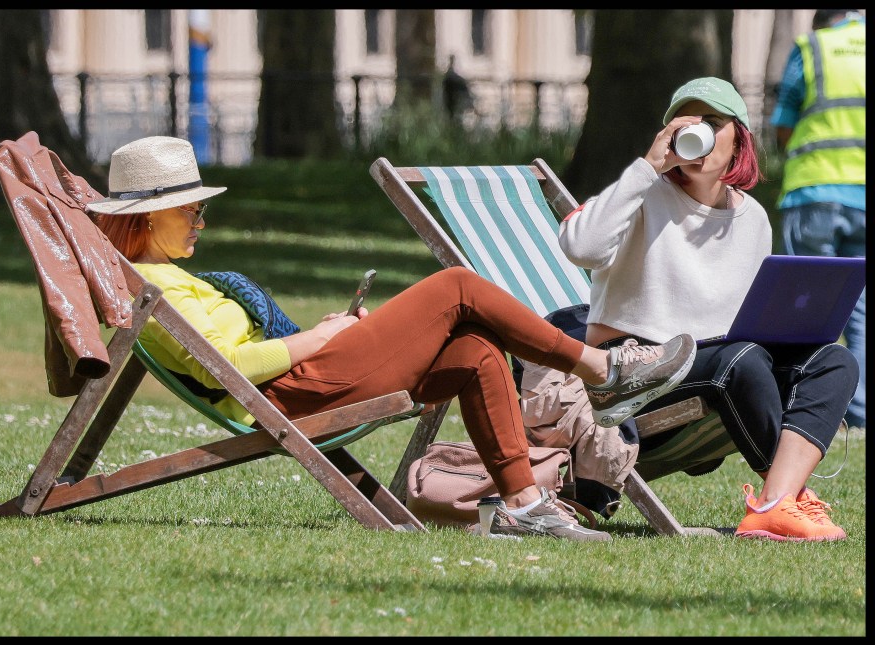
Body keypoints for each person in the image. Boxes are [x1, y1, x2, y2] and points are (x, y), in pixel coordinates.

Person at [87, 135, 698, 542]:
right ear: (145, 216)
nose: (201, 220)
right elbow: (231, 361)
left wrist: (324, 336)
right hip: (284, 395)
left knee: (473, 351)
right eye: (189, 210)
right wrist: (324, 338)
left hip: (295, 381)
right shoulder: (152, 284)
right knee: (457, 286)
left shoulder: (161, 275)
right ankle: (602, 371)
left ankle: (522, 505)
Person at [558, 77, 859, 542]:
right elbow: (581, 246)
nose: (696, 133)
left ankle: (776, 504)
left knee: (834, 360)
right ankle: (786, 505)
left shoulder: (752, 218)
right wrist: (648, 166)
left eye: (712, 123)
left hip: (718, 366)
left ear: (740, 138)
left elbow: (748, 322)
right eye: (686, 123)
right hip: (631, 377)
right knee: (741, 359)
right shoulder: (642, 195)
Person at [771, 9, 866, 430]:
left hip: (814, 192)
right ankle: (859, 416)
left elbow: (784, 125)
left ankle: (803, 409)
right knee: (863, 313)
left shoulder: (813, 47)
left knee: (807, 306)